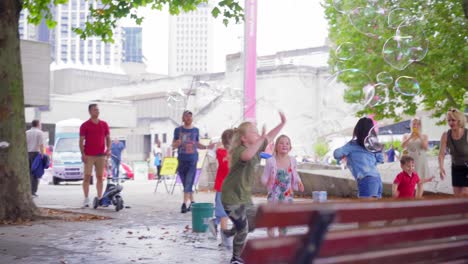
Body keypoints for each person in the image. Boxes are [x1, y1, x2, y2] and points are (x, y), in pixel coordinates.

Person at [221, 112, 286, 264]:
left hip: (244, 197)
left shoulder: (256, 146)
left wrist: (281, 123)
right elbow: (248, 156)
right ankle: (236, 258)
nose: (258, 134)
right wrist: (261, 139)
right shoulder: (240, 151)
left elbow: (269, 136)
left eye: (258, 131)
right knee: (243, 228)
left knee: (252, 225)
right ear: (244, 138)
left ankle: (228, 232)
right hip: (231, 197)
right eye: (254, 132)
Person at [261, 134, 304, 237]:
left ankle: (281, 240)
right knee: (271, 221)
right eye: (281, 143)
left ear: (290, 147)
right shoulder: (271, 161)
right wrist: (268, 182)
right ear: (276, 146)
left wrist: (299, 181)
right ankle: (271, 241)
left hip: (287, 196)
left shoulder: (292, 160)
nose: (284, 145)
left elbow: (295, 172)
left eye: (287, 143)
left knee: (284, 221)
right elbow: (264, 177)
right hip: (274, 196)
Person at [172, 110, 214, 213]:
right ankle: (192, 202)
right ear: (183, 118)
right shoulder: (177, 130)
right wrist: (177, 143)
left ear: (192, 118)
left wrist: (207, 147)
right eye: (186, 117)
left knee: (189, 181)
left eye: (190, 117)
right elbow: (173, 145)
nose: (188, 119)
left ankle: (184, 204)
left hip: (192, 159)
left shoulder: (195, 130)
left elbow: (197, 144)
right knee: (186, 182)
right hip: (181, 159)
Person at [333, 117, 385, 198]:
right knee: (375, 210)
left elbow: (336, 154)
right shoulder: (373, 145)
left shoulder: (352, 145)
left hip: (366, 180)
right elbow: (380, 160)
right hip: (377, 180)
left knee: (366, 209)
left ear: (357, 129)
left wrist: (346, 155)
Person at [207, 128, 235, 248]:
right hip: (226, 190)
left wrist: (215, 145)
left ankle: (214, 222)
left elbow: (210, 151)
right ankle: (225, 241)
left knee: (224, 213)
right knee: (224, 215)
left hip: (223, 189)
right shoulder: (235, 156)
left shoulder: (220, 152)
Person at [79, 104, 111, 207]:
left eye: (98, 110)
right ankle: (86, 198)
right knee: (87, 177)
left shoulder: (104, 124)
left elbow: (108, 138)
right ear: (90, 112)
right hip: (89, 155)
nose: (97, 111)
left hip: (101, 155)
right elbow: (81, 141)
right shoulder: (85, 125)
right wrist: (83, 153)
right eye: (95, 110)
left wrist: (108, 149)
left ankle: (100, 197)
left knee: (100, 177)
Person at [438, 108, 468, 196]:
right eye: (449, 120)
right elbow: (441, 154)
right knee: (457, 195)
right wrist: (441, 167)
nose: (451, 123)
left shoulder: (467, 134)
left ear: (459, 121)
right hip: (456, 168)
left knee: (465, 193)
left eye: (453, 120)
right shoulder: (445, 135)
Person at [401, 117, 431, 195]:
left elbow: (426, 148)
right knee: (408, 181)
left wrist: (420, 136)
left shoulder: (424, 136)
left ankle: (418, 200)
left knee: (420, 182)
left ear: (420, 126)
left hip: (420, 160)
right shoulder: (406, 135)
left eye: (418, 124)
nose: (416, 125)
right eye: (414, 123)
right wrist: (410, 137)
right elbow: (402, 146)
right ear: (411, 125)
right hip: (409, 160)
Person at [26, 119, 44, 197]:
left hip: (27, 153)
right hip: (36, 154)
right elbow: (41, 145)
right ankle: (33, 191)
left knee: (29, 172)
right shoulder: (39, 133)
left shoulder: (26, 132)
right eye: (40, 124)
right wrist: (42, 155)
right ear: (38, 124)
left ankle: (29, 190)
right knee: (35, 173)